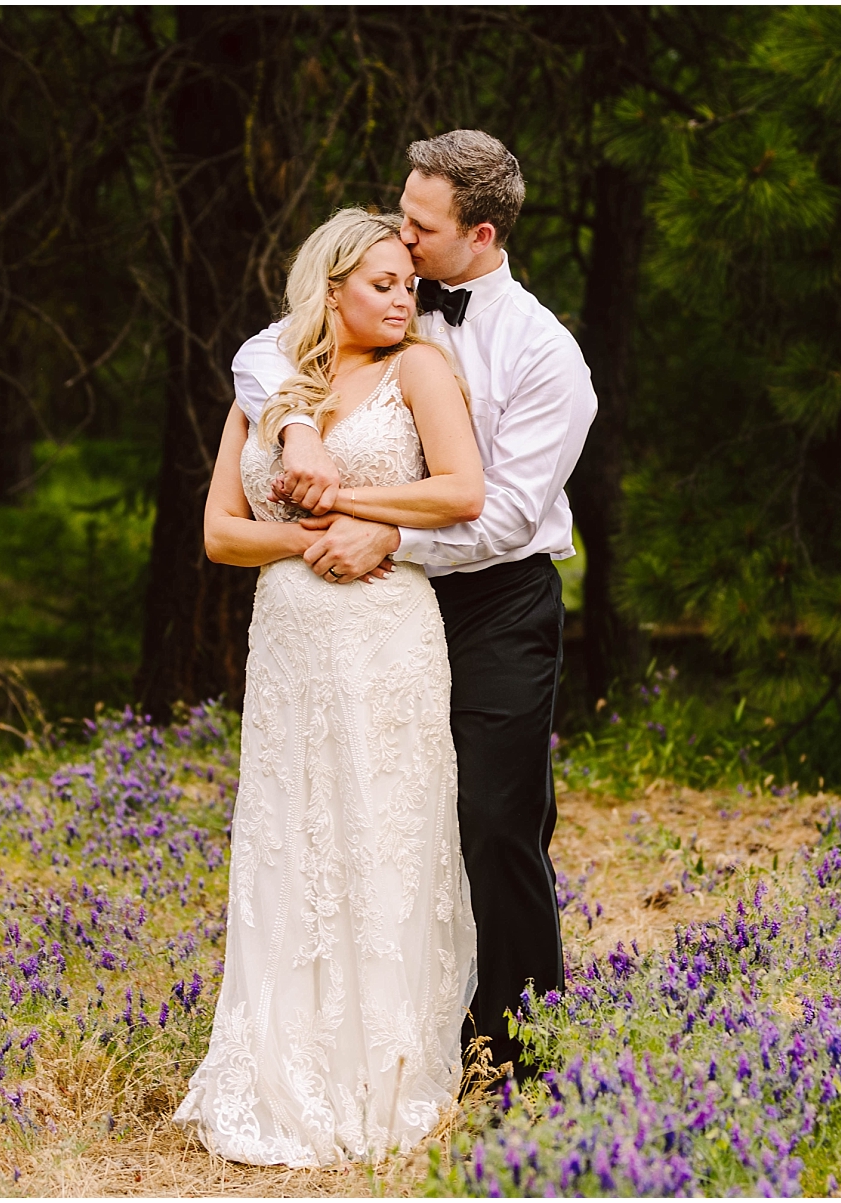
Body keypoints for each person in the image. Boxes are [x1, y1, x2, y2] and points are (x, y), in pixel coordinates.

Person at [231, 129, 598, 1081]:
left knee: (493, 818)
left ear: (478, 235)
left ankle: (514, 1050)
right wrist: (303, 423)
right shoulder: (386, 289)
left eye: (419, 226)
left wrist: (387, 534)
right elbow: (261, 357)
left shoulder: (546, 354)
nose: (400, 234)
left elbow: (507, 512)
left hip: (496, 602)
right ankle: (396, 1037)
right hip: (381, 602)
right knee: (381, 814)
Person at [173, 208, 484, 1166]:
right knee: (293, 834)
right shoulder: (272, 386)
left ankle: (386, 1070)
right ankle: (281, 1066)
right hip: (292, 641)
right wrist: (311, 537)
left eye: (409, 283)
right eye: (383, 284)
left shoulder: (421, 369)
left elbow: (461, 491)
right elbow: (224, 533)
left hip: (385, 634)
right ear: (333, 287)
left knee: (381, 831)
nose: (404, 298)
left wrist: (342, 499)